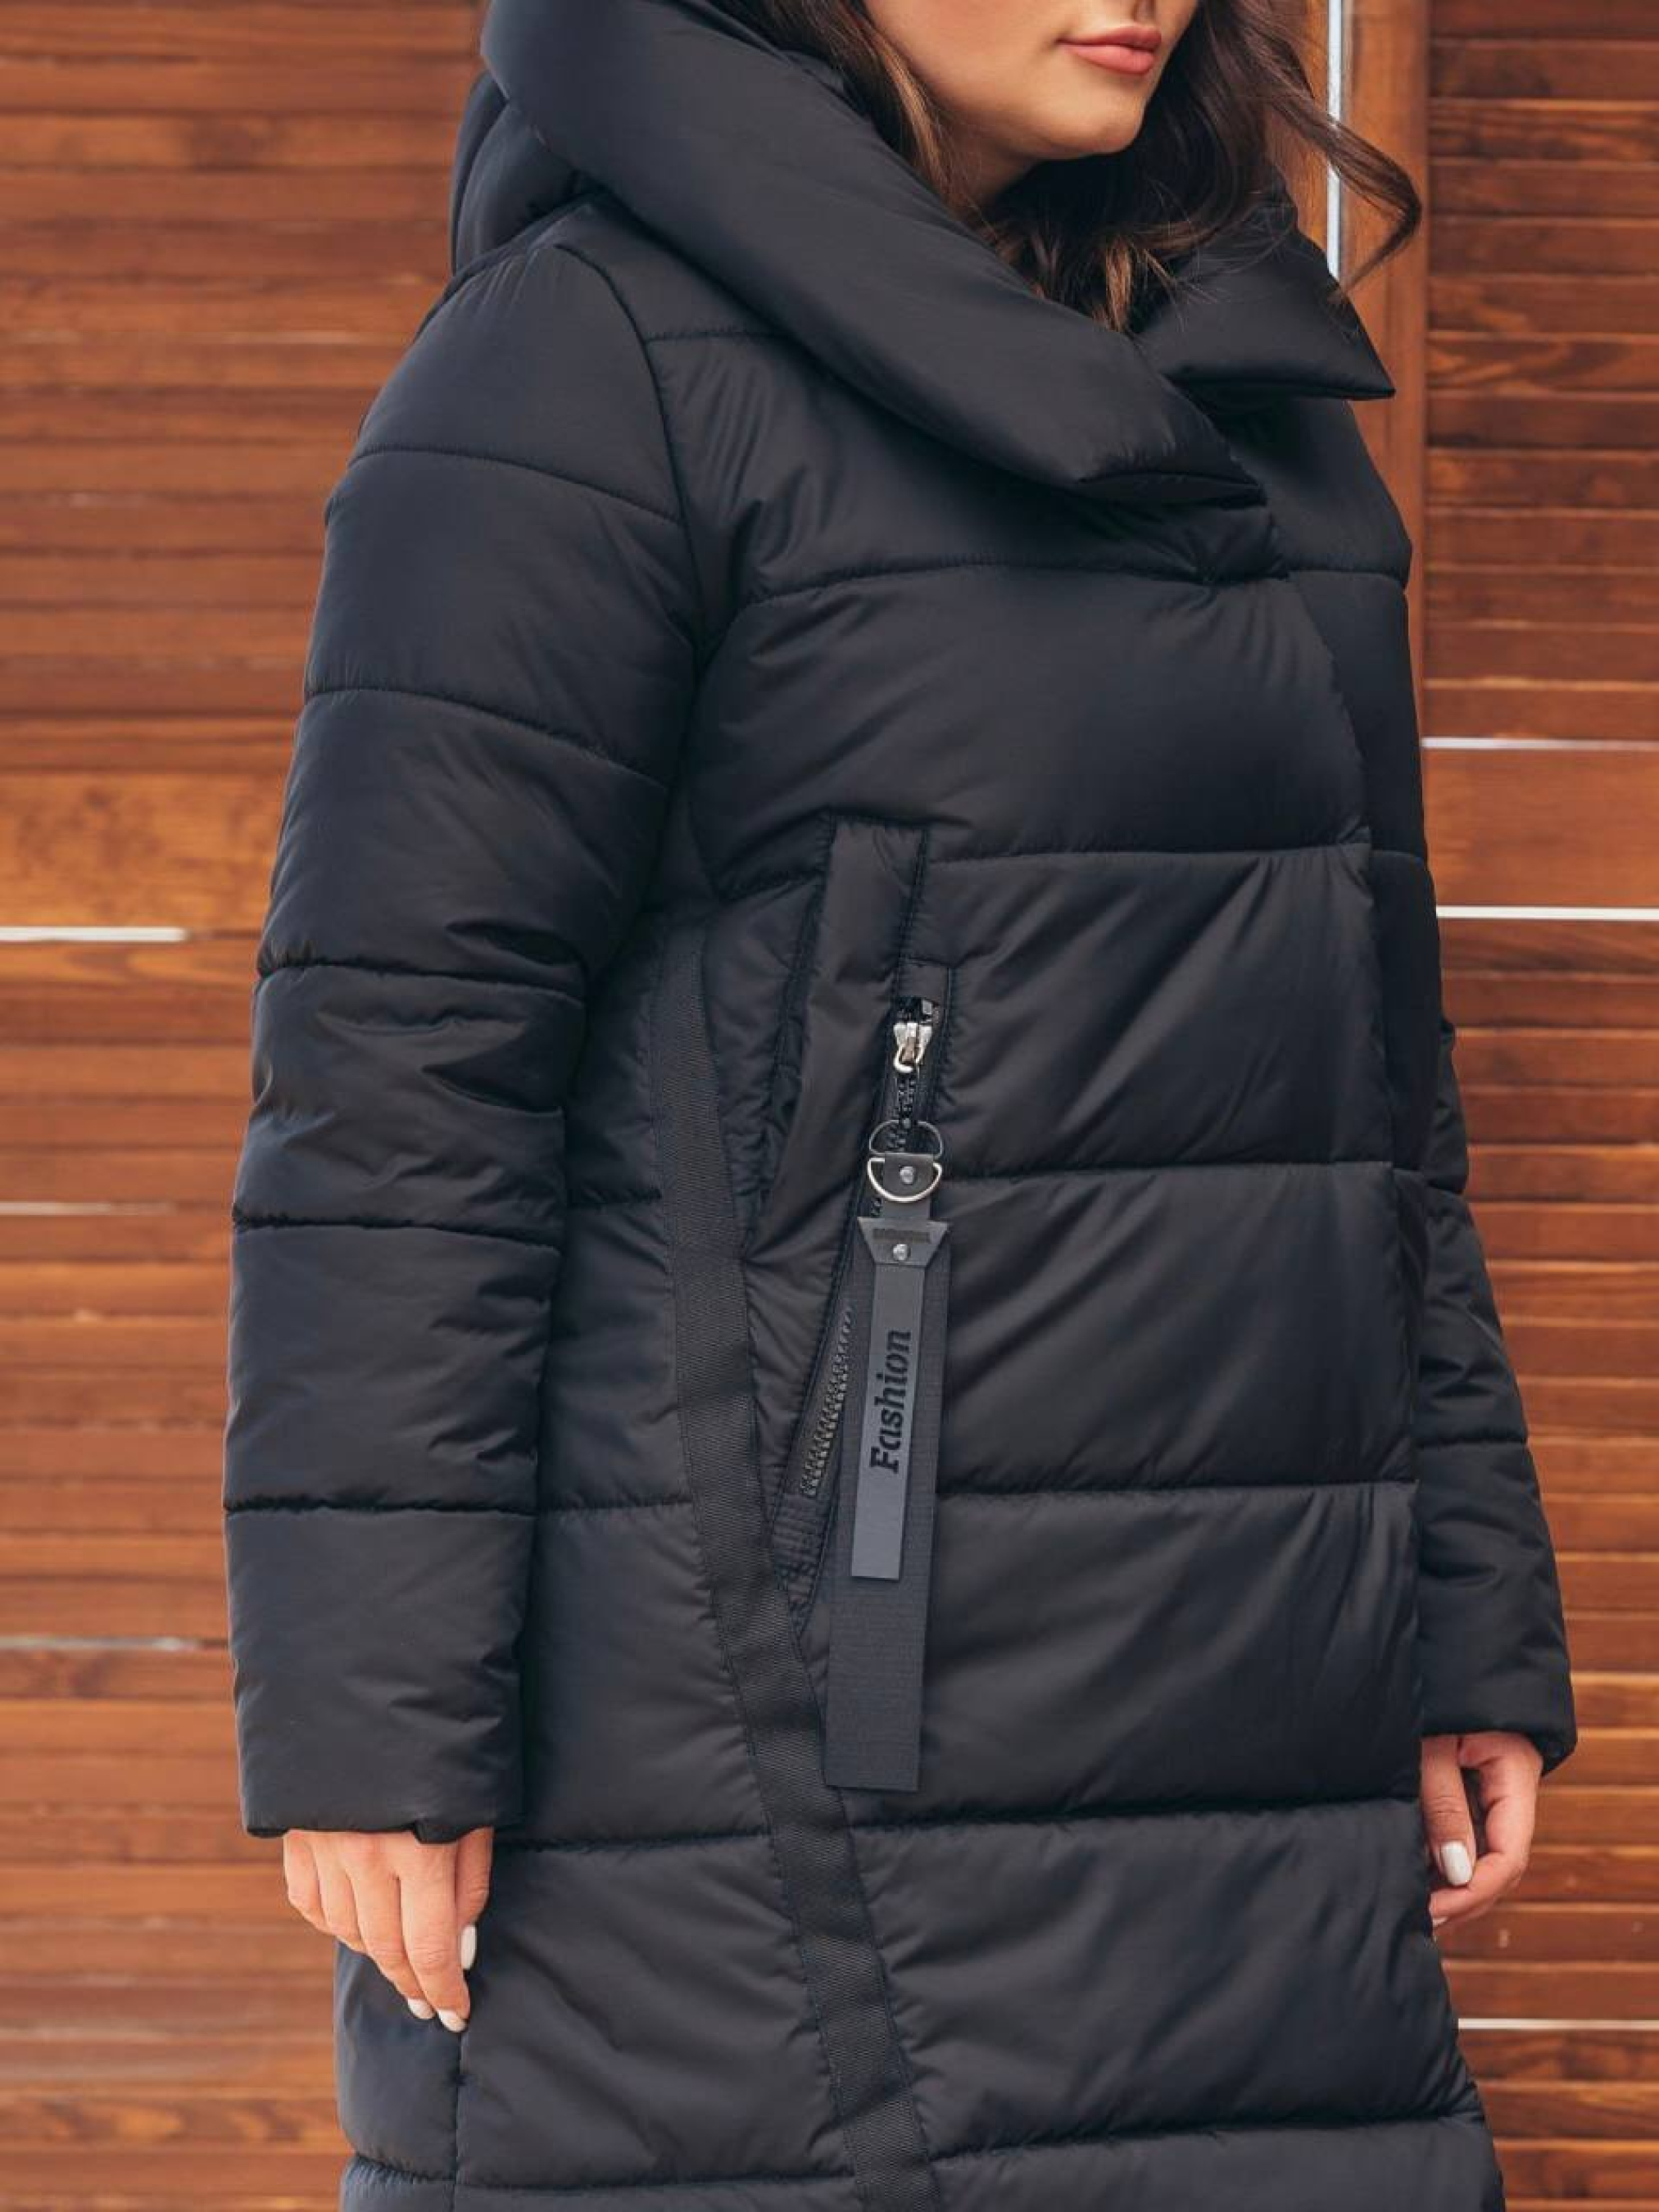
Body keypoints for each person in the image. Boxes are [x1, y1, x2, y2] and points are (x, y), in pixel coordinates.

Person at [223, 4, 1577, 2207]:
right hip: (762, 1741)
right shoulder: (584, 371)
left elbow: (1371, 1076)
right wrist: (370, 1718)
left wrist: (1458, 1603)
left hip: (1260, 1715)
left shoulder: (1248, 377)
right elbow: (400, 1078)